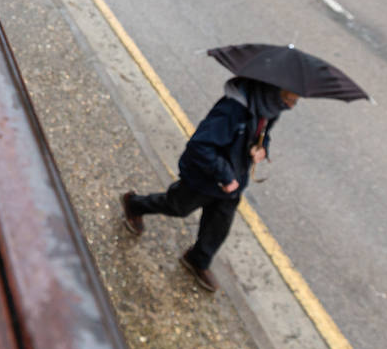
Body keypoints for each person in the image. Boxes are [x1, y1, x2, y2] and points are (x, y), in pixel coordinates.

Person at [120, 78, 300, 293]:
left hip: (234, 181)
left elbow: (262, 135)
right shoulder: (232, 110)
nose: (290, 105)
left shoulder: (271, 109)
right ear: (273, 90)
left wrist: (262, 148)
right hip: (205, 177)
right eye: (288, 98)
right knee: (177, 206)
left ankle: (198, 259)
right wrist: (224, 176)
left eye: (295, 101)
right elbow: (200, 145)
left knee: (219, 225)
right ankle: (134, 204)